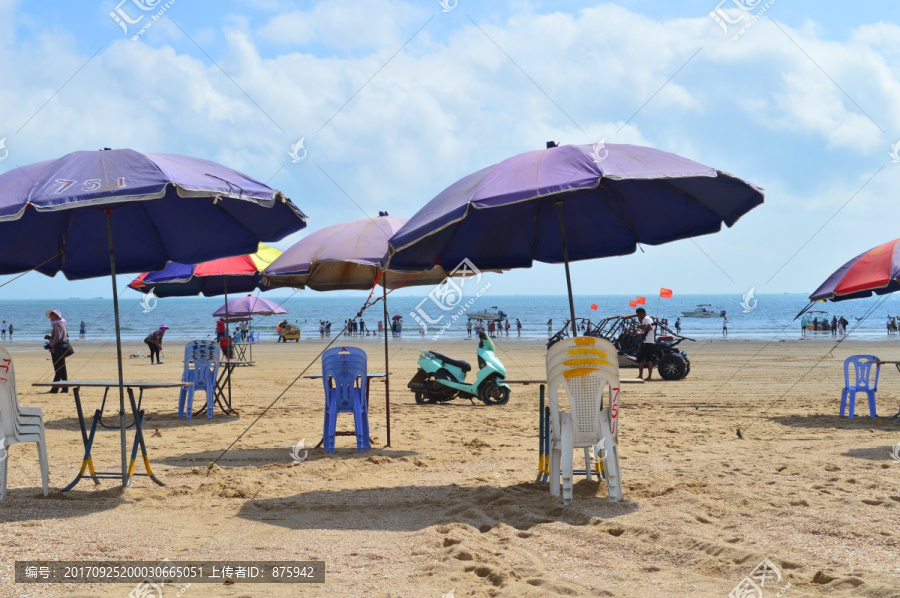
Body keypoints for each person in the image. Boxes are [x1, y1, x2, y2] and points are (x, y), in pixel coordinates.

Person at [45, 309, 70, 393]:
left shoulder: (57, 324)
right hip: (61, 348)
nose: (50, 317)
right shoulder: (62, 324)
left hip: (57, 349)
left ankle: (55, 389)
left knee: (58, 369)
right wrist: (50, 337)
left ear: (56, 316)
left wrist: (50, 345)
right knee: (62, 368)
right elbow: (61, 336)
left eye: (52, 315)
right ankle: (65, 388)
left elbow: (58, 338)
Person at [634, 308, 655, 381]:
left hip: (646, 342)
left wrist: (641, 327)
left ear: (642, 313)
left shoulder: (646, 319)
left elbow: (650, 327)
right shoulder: (647, 318)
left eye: (638, 314)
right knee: (649, 359)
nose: (638, 316)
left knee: (640, 358)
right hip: (650, 341)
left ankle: (640, 375)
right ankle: (649, 376)